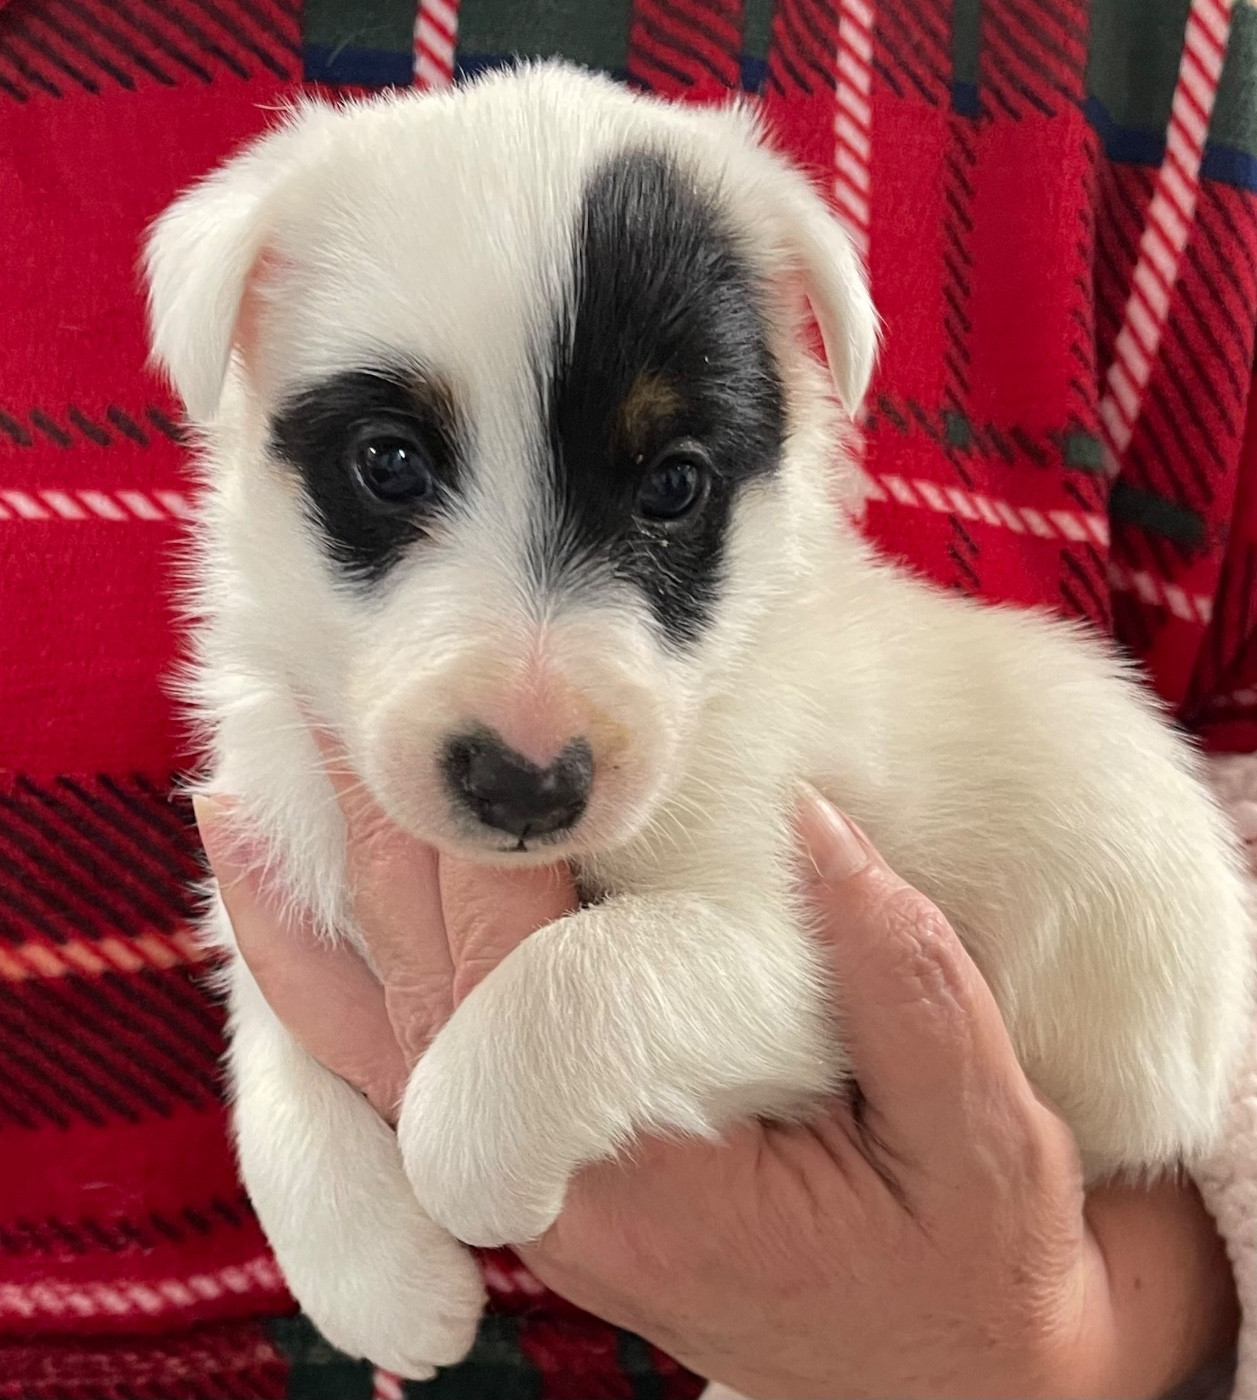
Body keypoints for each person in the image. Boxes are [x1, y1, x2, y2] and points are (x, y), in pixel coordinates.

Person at [193, 756, 1251, 1398]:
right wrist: (299, 1134)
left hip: (1117, 1171)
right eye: (393, 471)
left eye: (669, 492)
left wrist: (1061, 1349)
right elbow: (289, 933)